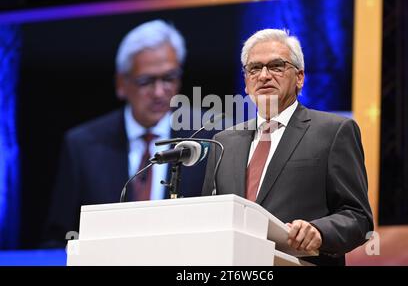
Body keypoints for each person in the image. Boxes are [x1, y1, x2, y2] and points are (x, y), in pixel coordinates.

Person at [202, 29, 373, 266]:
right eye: (254, 68)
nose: (263, 76)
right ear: (246, 82)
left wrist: (319, 231)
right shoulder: (223, 142)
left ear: (300, 77)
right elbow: (208, 218)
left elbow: (359, 217)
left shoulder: (334, 131)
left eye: (276, 66)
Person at [43, 20, 210, 248]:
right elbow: (58, 238)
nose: (160, 92)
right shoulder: (82, 145)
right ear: (121, 83)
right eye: (146, 81)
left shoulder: (209, 135)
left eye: (169, 78)